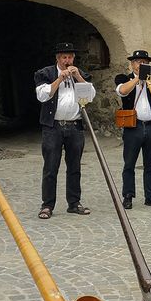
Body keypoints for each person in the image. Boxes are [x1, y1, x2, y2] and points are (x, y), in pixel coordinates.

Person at [35, 42, 96, 219]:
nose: (67, 60)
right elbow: (43, 95)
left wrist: (78, 77)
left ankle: (74, 203)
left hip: (75, 126)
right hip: (53, 127)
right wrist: (59, 79)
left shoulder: (81, 74)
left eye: (70, 57)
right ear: (57, 58)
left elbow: (89, 97)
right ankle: (47, 205)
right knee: (50, 168)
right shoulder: (45, 73)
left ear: (73, 58)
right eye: (64, 57)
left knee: (75, 167)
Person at [114, 49, 151, 209]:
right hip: (133, 127)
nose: (141, 64)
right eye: (138, 62)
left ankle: (150, 196)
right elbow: (122, 91)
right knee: (129, 164)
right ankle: (128, 195)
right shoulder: (123, 78)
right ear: (132, 64)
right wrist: (138, 78)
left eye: (145, 62)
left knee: (150, 164)